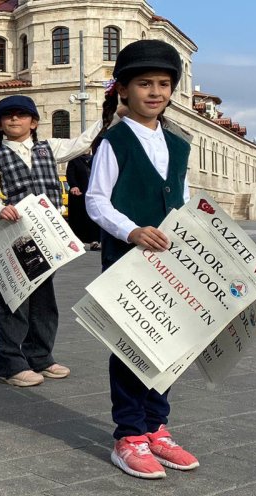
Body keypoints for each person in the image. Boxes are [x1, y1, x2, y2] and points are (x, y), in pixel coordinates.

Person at [86, 39, 199, 480]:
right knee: (132, 346)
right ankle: (129, 434)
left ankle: (157, 427)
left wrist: (190, 232)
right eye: (145, 83)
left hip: (168, 262)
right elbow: (96, 202)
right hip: (128, 260)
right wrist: (131, 230)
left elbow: (183, 199)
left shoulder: (178, 144)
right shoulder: (115, 141)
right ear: (123, 91)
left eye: (164, 84)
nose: (155, 92)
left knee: (168, 343)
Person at [0, 95, 105, 387]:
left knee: (44, 299)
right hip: (17, 236)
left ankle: (40, 356)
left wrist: (109, 115)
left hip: (49, 236)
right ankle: (9, 364)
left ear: (33, 122)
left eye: (21, 115)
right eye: (7, 116)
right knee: (15, 298)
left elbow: (84, 141)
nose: (14, 120)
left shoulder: (51, 148)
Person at [65, 150, 101, 250]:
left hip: (93, 195)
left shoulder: (96, 158)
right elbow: (70, 174)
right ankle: (77, 242)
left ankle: (95, 241)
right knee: (79, 219)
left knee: (94, 218)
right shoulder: (74, 160)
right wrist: (73, 186)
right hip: (79, 195)